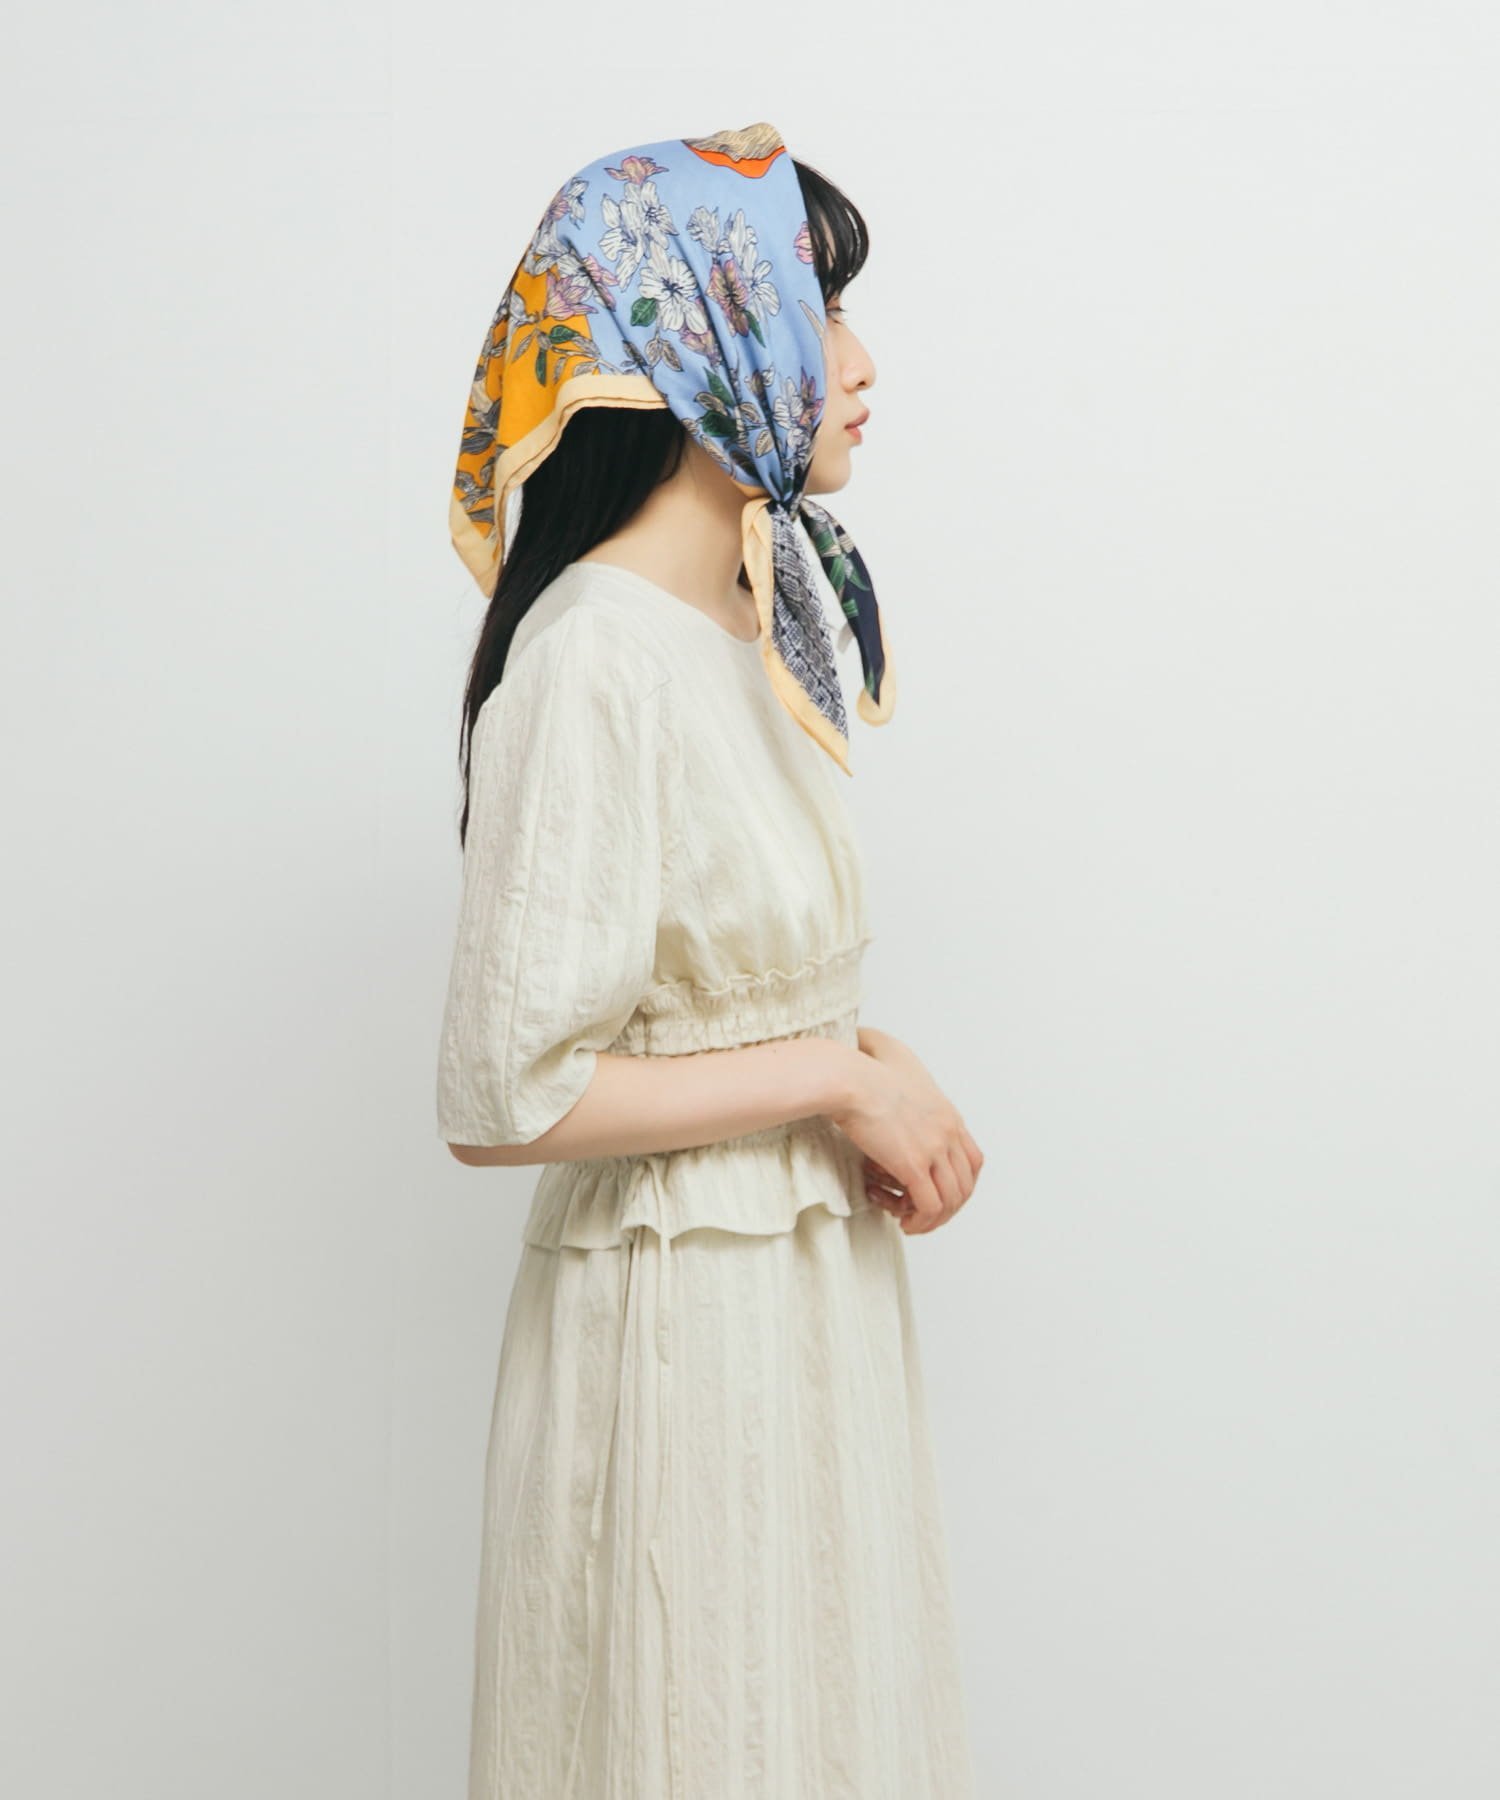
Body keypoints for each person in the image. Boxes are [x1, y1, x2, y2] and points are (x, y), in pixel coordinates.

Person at [435, 120, 981, 1798]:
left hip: (797, 1296)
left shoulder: (747, 621)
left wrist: (873, 1063)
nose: (862, 366)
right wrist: (833, 1081)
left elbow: (717, 978)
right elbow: (507, 1092)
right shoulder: (594, 657)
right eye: (825, 312)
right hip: (682, 1329)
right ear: (706, 333)